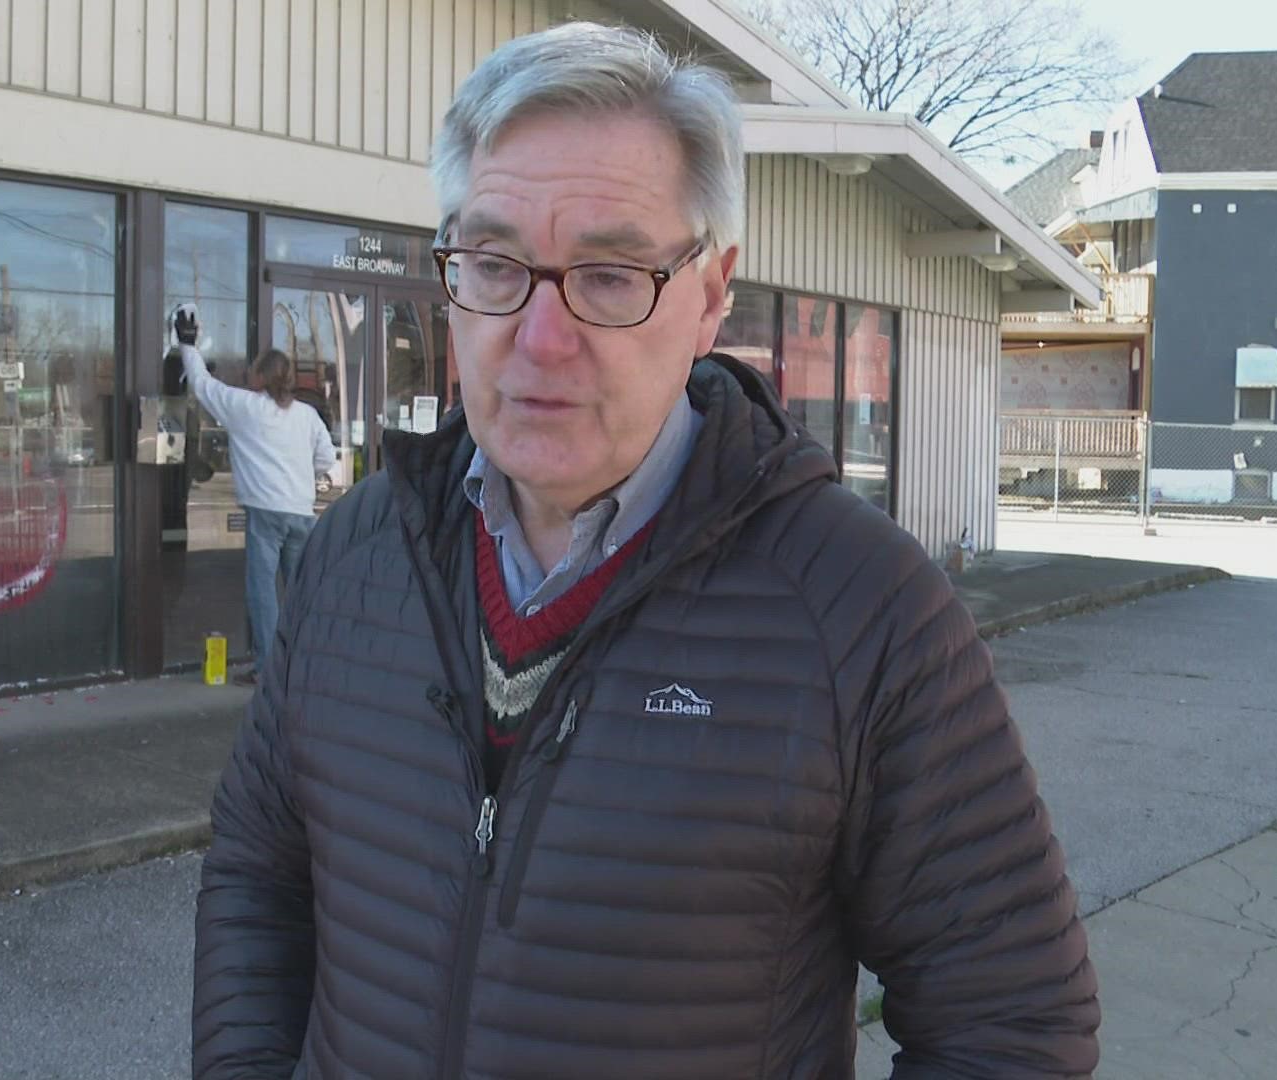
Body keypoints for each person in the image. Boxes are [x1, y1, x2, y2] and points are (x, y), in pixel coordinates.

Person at [191, 21, 1099, 1079]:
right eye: (493, 265)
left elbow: (1011, 1026)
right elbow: (260, 875)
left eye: (611, 276)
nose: (536, 337)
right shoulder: (355, 554)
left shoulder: (860, 609)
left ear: (711, 295)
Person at [173, 305, 338, 685]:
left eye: (253, 369)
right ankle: (306, 663)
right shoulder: (306, 415)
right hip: (301, 511)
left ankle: (268, 668)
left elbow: (201, 385)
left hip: (265, 513)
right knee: (301, 593)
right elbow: (326, 458)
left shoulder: (246, 408)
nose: (247, 373)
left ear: (262, 377)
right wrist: (300, 476)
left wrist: (187, 345)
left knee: (263, 593)